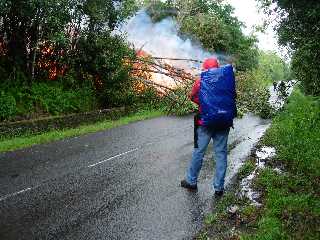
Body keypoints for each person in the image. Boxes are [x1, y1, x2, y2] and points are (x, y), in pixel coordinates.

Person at [180, 58, 236, 197]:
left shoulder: (201, 81)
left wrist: (204, 104)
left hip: (205, 122)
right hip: (223, 122)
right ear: (218, 67)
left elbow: (192, 96)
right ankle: (219, 187)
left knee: (199, 152)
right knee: (221, 153)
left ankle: (191, 181)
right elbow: (233, 96)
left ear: (205, 68)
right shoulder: (227, 80)